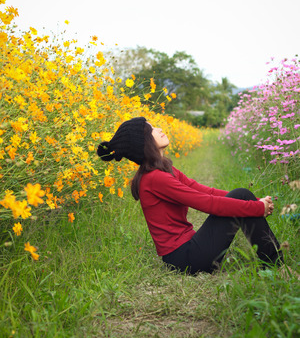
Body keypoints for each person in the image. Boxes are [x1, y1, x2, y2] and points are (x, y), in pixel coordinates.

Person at [97, 117, 283, 275]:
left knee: (242, 195)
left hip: (189, 251)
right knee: (241, 195)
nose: (159, 129)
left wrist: (253, 202)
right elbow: (206, 203)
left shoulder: (164, 170)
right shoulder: (154, 178)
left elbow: (204, 191)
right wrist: (256, 207)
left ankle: (274, 265)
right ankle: (276, 267)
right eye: (152, 130)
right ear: (144, 142)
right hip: (185, 259)